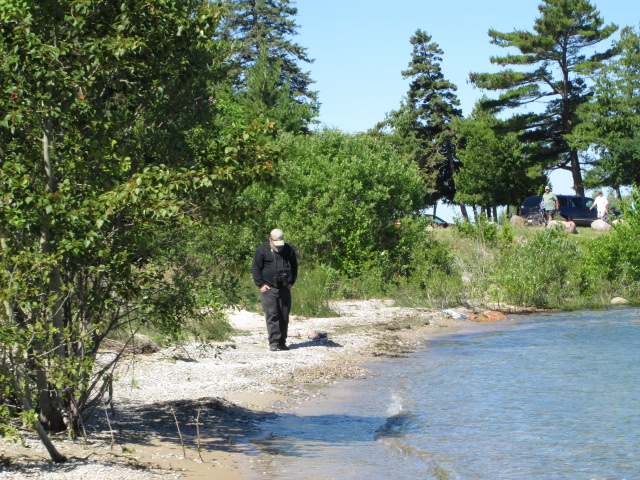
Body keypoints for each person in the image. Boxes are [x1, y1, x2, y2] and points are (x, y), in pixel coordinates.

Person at [251, 229, 298, 351]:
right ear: (270, 240)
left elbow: (294, 266)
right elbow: (256, 268)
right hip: (269, 288)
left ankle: (282, 342)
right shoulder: (262, 250)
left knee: (284, 315)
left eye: (280, 244)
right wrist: (261, 284)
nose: (279, 247)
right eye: (276, 244)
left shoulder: (288, 249)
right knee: (272, 315)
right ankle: (274, 342)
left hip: (284, 288)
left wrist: (291, 282)